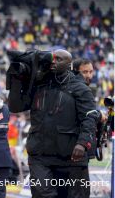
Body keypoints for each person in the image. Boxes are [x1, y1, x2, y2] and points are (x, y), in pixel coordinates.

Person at [25, 50, 98, 197]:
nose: (88, 76)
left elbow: (90, 118)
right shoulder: (41, 86)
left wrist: (83, 143)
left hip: (73, 156)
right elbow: (15, 106)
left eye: (91, 72)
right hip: (43, 154)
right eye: (85, 72)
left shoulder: (81, 89)